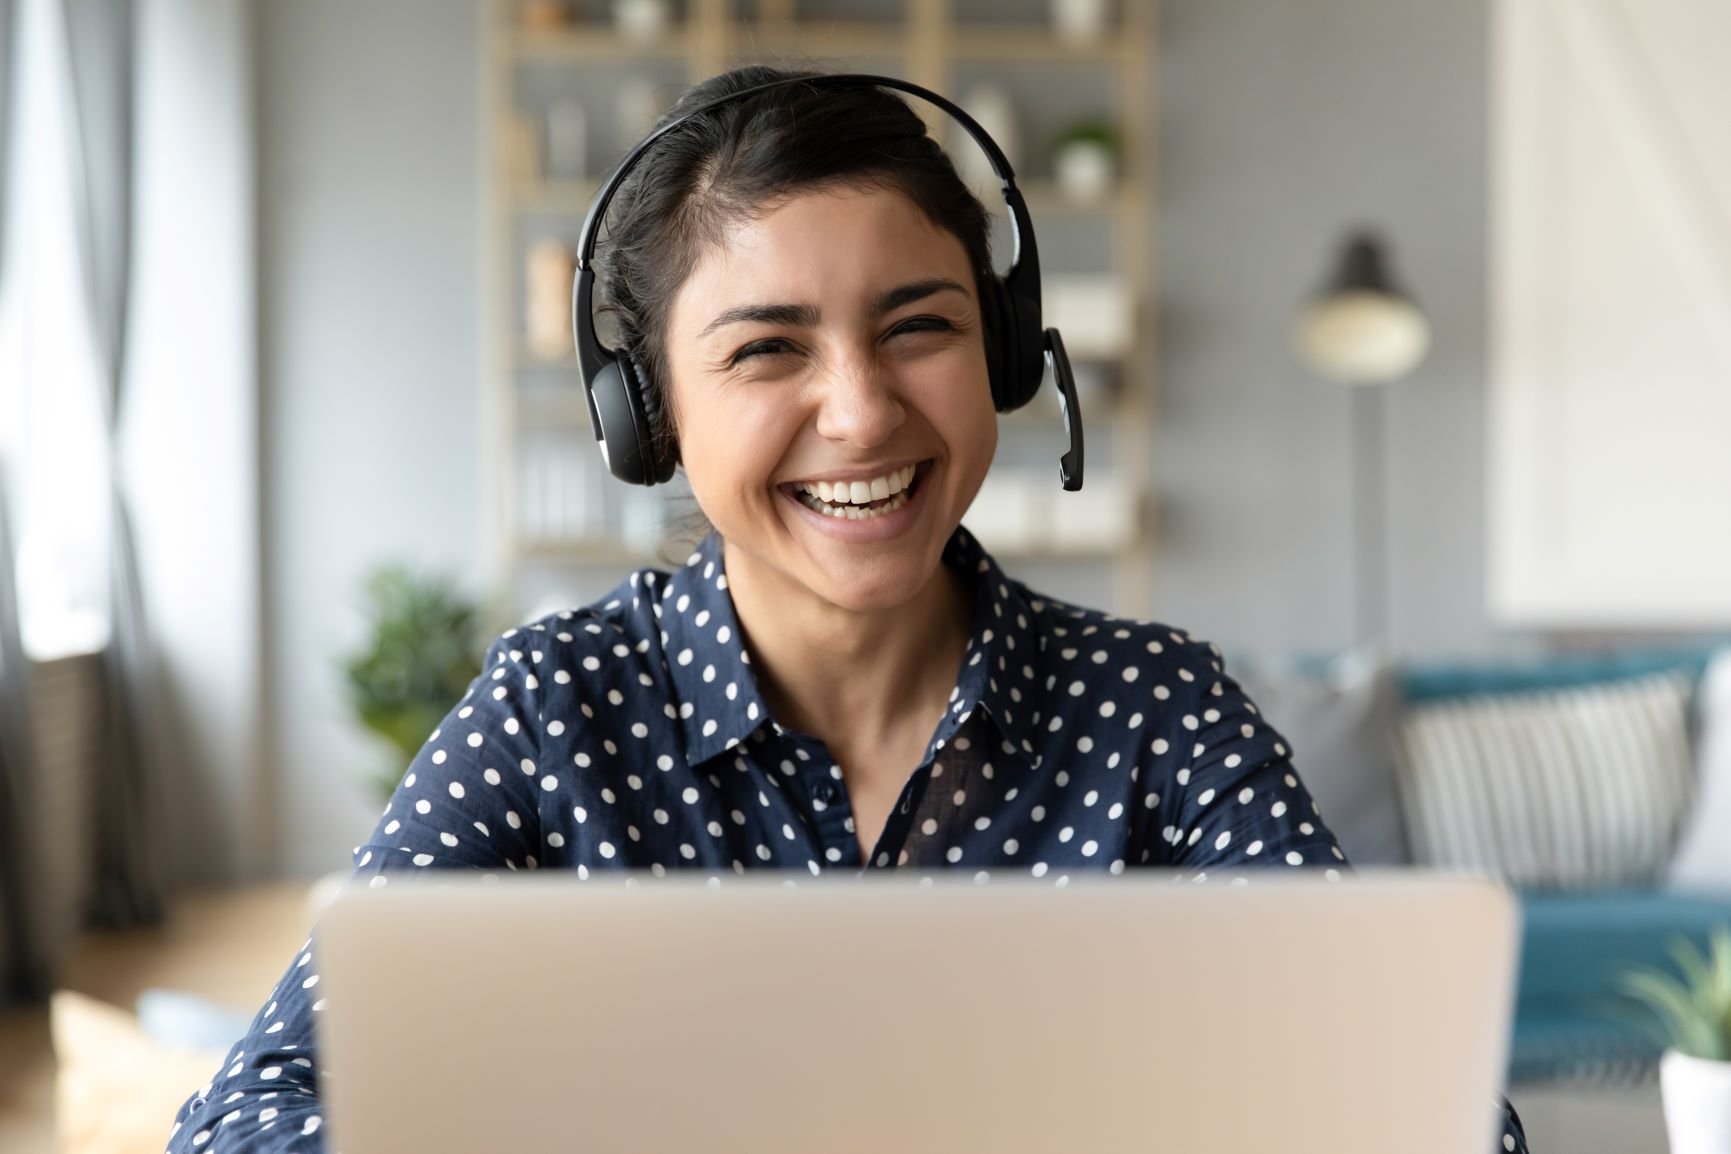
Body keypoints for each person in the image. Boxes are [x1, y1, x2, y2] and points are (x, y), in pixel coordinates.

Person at [167, 67, 1530, 1153]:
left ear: (1002, 352)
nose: (863, 409)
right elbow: (243, 1119)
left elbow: (1438, 1110)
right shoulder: (549, 712)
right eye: (767, 348)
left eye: (919, 325)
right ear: (649, 417)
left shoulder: (1159, 709)